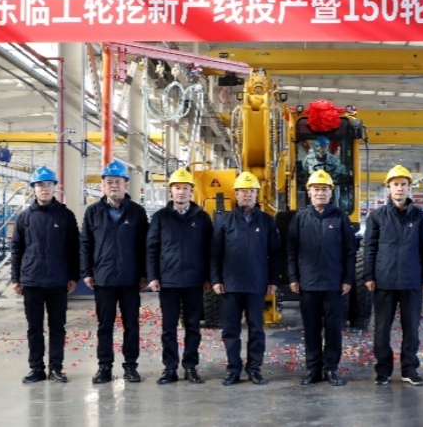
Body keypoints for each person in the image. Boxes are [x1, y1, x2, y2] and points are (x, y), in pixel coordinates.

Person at [364, 164, 423, 386]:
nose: (400, 188)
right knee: (382, 328)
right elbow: (370, 249)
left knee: (411, 328)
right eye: (396, 184)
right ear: (389, 188)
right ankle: (383, 371)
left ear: (409, 188)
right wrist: (369, 276)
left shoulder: (420, 217)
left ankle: (409, 370)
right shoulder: (377, 217)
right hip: (384, 280)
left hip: (411, 280)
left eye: (404, 184)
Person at [81, 160, 149, 384]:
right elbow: (86, 244)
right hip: (104, 278)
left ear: (126, 185)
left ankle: (130, 366)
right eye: (109, 182)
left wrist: (144, 274)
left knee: (131, 324)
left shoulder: (137, 213)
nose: (113, 186)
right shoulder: (93, 212)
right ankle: (104, 367)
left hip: (130, 279)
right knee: (105, 325)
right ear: (103, 185)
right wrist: (87, 272)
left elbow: (145, 245)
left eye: (118, 182)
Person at [210, 171, 281, 386]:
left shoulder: (267, 222)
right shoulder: (224, 221)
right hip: (230, 286)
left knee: (256, 329)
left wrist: (273, 280)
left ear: (257, 194)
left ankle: (254, 369)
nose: (247, 195)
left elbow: (275, 253)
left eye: (251, 191)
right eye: (242, 191)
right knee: (230, 330)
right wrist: (215, 279)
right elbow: (214, 253)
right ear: (236, 194)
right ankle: (233, 370)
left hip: (256, 284)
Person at [10, 165, 80, 384]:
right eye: (40, 185)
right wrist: (15, 278)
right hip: (32, 280)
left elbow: (73, 248)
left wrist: (73, 276)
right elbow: (17, 249)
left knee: (57, 326)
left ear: (54, 188)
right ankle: (36, 368)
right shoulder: (24, 218)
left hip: (57, 280)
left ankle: (56, 368)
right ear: (34, 188)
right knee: (34, 327)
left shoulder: (66, 215)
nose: (44, 189)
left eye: (48, 184)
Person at [287, 170, 356, 387]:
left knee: (334, 329)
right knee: (311, 329)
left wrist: (347, 279)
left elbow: (350, 251)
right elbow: (291, 250)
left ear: (330, 193)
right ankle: (313, 369)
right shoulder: (300, 219)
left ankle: (331, 369)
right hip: (308, 285)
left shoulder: (340, 218)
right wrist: (293, 277)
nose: (319, 193)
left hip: (334, 285)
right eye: (315, 189)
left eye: (324, 189)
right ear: (309, 192)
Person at [146, 168, 214, 385]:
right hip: (168, 281)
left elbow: (209, 250)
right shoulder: (160, 218)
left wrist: (208, 277)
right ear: (171, 192)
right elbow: (152, 248)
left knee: (193, 326)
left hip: (194, 281)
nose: (181, 192)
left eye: (186, 188)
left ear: (192, 192)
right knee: (169, 327)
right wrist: (153, 276)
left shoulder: (202, 218)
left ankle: (191, 366)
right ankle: (170, 368)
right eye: (177, 188)